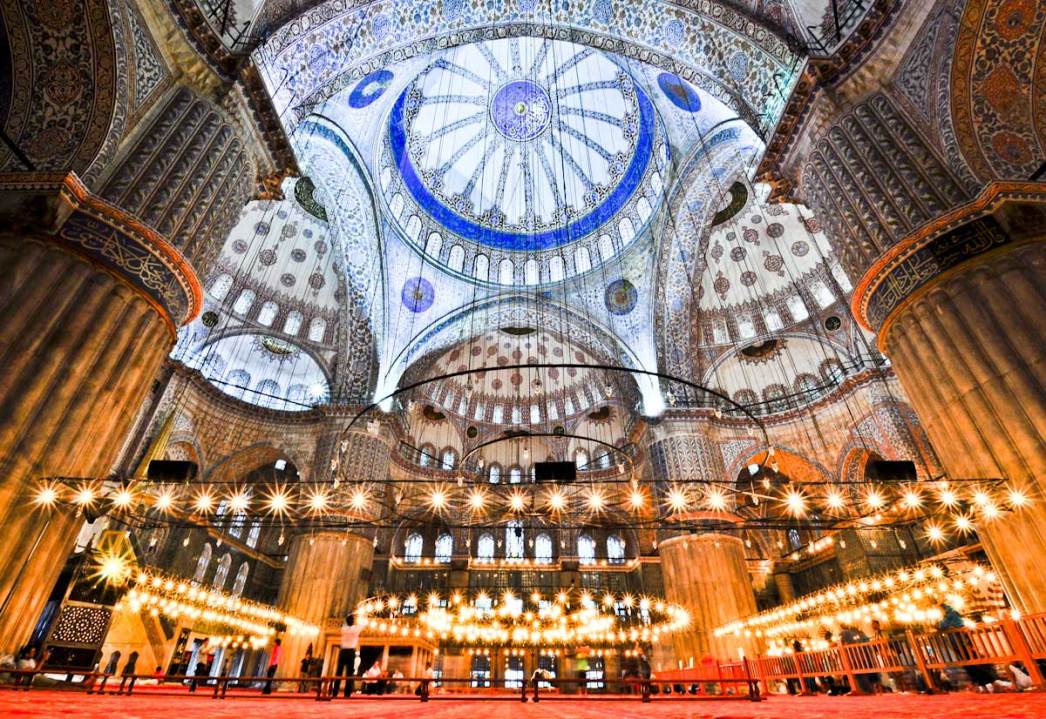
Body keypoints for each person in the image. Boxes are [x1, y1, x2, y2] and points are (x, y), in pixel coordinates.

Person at [332, 614, 362, 698]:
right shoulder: (355, 629)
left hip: (342, 652)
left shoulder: (343, 629)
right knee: (349, 674)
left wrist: (351, 616)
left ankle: (334, 693)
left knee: (338, 673)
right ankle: (347, 694)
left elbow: (346, 622)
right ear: (353, 622)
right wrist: (359, 616)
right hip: (350, 652)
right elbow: (363, 623)